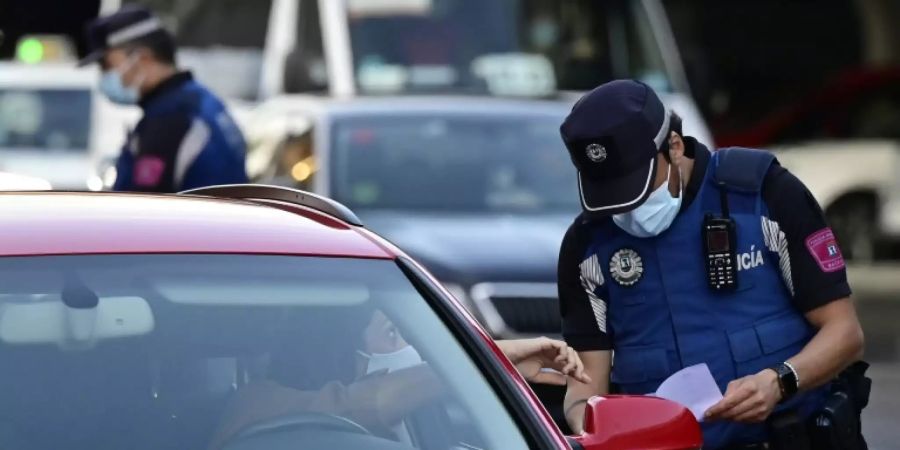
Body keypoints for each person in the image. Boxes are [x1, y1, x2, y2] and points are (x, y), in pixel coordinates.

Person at [557, 80, 868, 449]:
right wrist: (591, 426)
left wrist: (780, 380)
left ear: (673, 146)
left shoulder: (762, 195)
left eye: (636, 188)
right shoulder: (586, 246)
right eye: (611, 195)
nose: (626, 209)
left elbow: (845, 334)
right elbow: (586, 385)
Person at [208, 308, 588, 449]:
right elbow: (361, 403)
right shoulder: (258, 403)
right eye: (394, 334)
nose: (415, 350)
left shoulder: (429, 425)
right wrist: (487, 362)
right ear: (342, 349)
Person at [79, 6, 248, 192]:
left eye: (107, 65)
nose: (104, 76)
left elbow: (142, 208)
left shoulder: (170, 118)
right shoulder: (200, 100)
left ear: (142, 58)